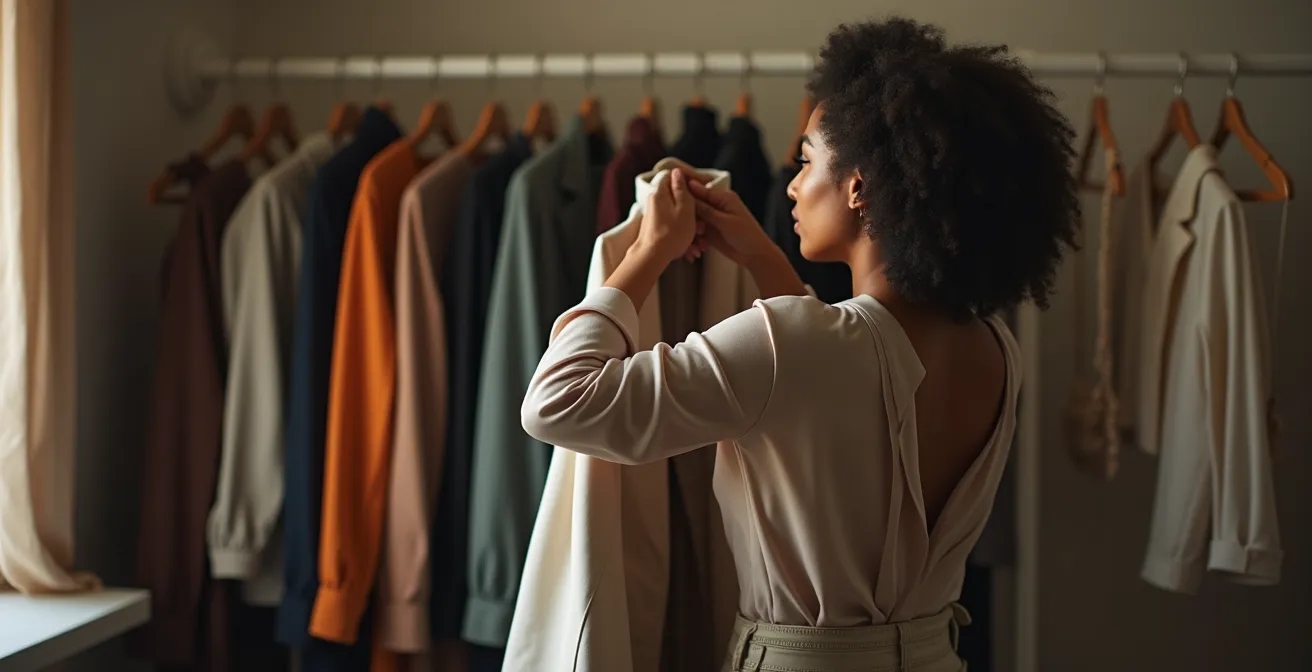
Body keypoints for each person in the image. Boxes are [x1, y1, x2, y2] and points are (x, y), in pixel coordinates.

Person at [521, 16, 1079, 672]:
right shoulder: (994, 348)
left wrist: (644, 255)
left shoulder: (795, 348)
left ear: (858, 186)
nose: (790, 182)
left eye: (807, 158)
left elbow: (558, 402)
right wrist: (765, 263)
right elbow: (848, 378)